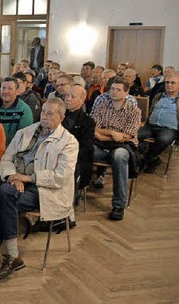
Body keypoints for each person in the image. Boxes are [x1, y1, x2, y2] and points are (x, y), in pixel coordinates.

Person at [0, 98, 78, 286]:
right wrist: (12, 176)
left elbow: (61, 176)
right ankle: (10, 257)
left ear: (61, 117)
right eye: (43, 112)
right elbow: (6, 160)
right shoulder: (25, 132)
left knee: (0, 198)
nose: (44, 116)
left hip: (44, 190)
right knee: (4, 196)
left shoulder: (68, 142)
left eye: (50, 113)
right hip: (15, 184)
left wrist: (28, 178)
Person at [91, 78, 141, 221]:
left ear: (126, 92)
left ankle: (119, 205)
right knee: (82, 151)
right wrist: (112, 133)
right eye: (112, 89)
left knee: (119, 156)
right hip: (101, 146)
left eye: (118, 89)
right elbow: (94, 128)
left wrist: (103, 136)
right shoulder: (102, 106)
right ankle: (76, 192)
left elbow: (126, 137)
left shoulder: (134, 111)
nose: (114, 92)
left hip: (123, 147)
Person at [138, 72, 178, 173]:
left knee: (164, 139)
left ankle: (145, 158)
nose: (169, 85)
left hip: (169, 129)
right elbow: (151, 111)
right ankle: (153, 159)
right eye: (167, 82)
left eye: (173, 83)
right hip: (151, 127)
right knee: (134, 134)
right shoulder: (159, 96)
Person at [62, 86, 96, 192]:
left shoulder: (88, 121)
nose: (68, 98)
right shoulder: (58, 115)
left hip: (76, 156)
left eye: (73, 97)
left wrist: (67, 154)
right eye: (67, 95)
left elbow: (86, 146)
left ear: (82, 101)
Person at [0, 77, 34, 146]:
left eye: (10, 88)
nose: (6, 91)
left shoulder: (24, 110)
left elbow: (23, 138)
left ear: (17, 91)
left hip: (12, 151)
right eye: (3, 88)